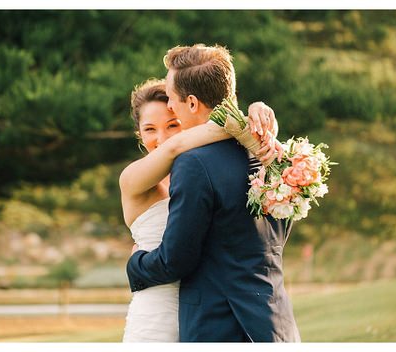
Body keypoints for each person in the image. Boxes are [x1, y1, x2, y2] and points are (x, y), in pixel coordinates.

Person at [125, 44, 301, 342]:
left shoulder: (194, 164)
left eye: (171, 100)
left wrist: (135, 264)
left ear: (191, 103)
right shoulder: (269, 153)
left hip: (219, 325)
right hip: (274, 323)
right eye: (150, 129)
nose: (170, 105)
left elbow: (176, 260)